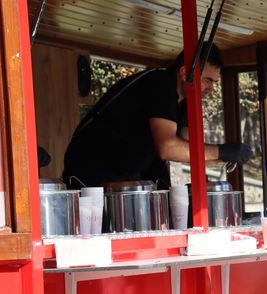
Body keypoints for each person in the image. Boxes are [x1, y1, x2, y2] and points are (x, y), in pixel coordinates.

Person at [63, 44, 252, 189]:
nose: (211, 89)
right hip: (92, 165)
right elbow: (168, 147)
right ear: (185, 72)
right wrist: (222, 151)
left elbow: (187, 148)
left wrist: (227, 156)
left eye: (214, 83)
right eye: (207, 81)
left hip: (130, 167)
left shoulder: (187, 99)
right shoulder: (160, 85)